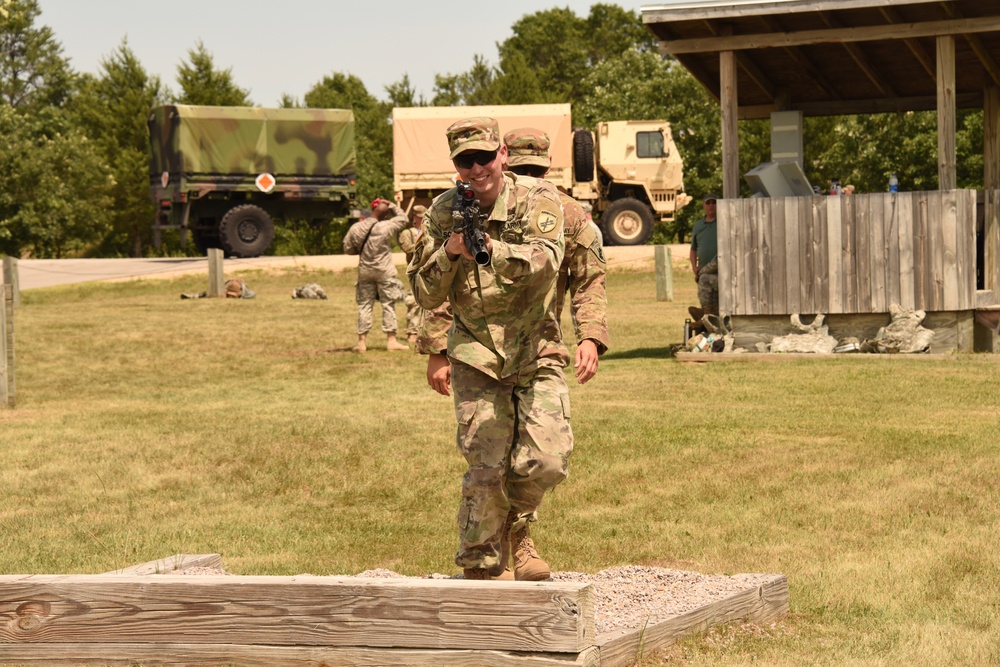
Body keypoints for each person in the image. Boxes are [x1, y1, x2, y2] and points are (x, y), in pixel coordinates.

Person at [407, 117, 570, 582]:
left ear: (502, 154)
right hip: (476, 351)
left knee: (547, 459)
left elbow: (546, 262)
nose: (477, 169)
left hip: (536, 345)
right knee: (486, 465)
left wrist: (490, 249)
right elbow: (424, 293)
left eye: (484, 157)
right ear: (456, 165)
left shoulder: (537, 199)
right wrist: (452, 251)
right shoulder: (442, 213)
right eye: (465, 161)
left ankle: (515, 529)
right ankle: (482, 561)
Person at [503, 127, 609, 384]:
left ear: (548, 166)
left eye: (535, 171)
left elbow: (590, 279)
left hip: (542, 349)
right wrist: (439, 348)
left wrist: (590, 337)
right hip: (483, 354)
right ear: (503, 160)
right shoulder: (482, 207)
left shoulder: (569, 212)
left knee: (548, 426)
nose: (529, 179)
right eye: (521, 172)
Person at [343, 198, 410, 353]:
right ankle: (391, 341)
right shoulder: (386, 226)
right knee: (388, 304)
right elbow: (404, 218)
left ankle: (361, 342)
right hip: (384, 270)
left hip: (365, 270)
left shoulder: (357, 227)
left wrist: (362, 251)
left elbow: (347, 249)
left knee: (364, 305)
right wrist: (392, 205)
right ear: (385, 215)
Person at [397, 205, 426, 344]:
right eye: (420, 217)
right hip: (416, 271)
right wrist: (425, 245)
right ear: (415, 218)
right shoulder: (407, 233)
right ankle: (412, 332)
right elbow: (408, 248)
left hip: (431, 270)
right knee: (414, 302)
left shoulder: (431, 230)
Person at [690, 193, 719, 320]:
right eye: (708, 203)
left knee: (702, 277)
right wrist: (694, 267)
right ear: (704, 206)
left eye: (714, 202)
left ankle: (706, 315)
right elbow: (693, 249)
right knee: (705, 282)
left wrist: (699, 273)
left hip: (720, 266)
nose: (711, 205)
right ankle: (708, 316)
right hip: (705, 271)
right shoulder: (698, 225)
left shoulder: (723, 222)